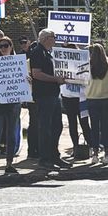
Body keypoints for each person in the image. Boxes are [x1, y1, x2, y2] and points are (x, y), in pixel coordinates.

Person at [29, 29, 69, 171]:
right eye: (54, 37)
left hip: (54, 94)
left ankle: (54, 155)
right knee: (45, 128)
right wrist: (55, 79)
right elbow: (36, 74)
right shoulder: (37, 52)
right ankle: (44, 158)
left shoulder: (49, 52)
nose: (55, 39)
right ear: (46, 38)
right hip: (43, 95)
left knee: (57, 126)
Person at [0, 38, 21, 175]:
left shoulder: (18, 62)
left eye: (6, 46)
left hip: (13, 103)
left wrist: (27, 80)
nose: (3, 48)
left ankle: (9, 164)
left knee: (11, 134)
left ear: (11, 46)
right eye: (0, 46)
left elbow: (22, 82)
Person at [86, 43, 108, 165]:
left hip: (92, 98)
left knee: (94, 127)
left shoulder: (87, 66)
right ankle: (107, 154)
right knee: (106, 127)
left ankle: (95, 154)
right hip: (106, 99)